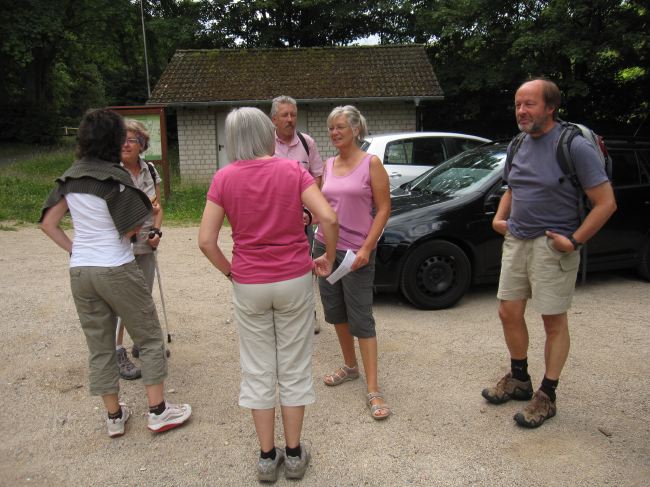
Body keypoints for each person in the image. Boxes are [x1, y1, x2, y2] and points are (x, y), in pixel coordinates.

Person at [198, 107, 338, 482]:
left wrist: (232, 272)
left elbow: (206, 241)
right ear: (266, 133)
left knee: (258, 368)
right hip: (293, 279)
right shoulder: (292, 170)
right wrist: (328, 255)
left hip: (249, 283)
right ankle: (293, 455)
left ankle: (265, 457)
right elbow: (328, 217)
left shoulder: (224, 178)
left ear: (232, 140)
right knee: (293, 365)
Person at [39, 108, 191, 438]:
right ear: (113, 139)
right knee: (148, 336)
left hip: (81, 270)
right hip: (116, 267)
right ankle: (158, 411)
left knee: (100, 344)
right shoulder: (115, 177)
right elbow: (133, 228)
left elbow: (48, 223)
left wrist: (75, 249)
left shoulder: (70, 177)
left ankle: (114, 416)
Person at [482, 78, 616, 428]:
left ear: (551, 107)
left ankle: (547, 394)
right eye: (517, 105)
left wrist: (574, 241)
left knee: (553, 321)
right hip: (517, 240)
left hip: (553, 245)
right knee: (508, 312)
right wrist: (499, 218)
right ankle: (519, 379)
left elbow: (606, 203)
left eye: (529, 104)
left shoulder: (573, 146)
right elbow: (512, 186)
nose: (521, 111)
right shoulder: (518, 144)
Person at [313, 105, 392, 420]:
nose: (334, 132)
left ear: (356, 130)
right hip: (325, 248)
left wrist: (367, 248)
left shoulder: (371, 164)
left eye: (340, 127)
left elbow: (384, 209)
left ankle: (373, 388)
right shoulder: (328, 164)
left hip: (356, 253)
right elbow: (322, 205)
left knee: (362, 318)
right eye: (331, 127)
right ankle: (350, 366)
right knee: (335, 311)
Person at [114, 119, 164, 380]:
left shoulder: (150, 170)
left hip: (145, 243)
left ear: (142, 144)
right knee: (121, 299)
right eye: (122, 139)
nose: (126, 144)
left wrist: (156, 231)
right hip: (119, 246)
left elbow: (158, 208)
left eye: (132, 140)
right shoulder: (111, 172)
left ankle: (141, 342)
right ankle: (116, 350)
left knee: (143, 296)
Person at [271, 95, 325, 333]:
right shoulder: (265, 144)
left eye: (293, 114)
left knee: (305, 267)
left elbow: (317, 176)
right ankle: (280, 316)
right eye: (285, 115)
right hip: (272, 221)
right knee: (275, 268)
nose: (290, 119)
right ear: (274, 119)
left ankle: (309, 314)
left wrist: (309, 209)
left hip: (302, 219)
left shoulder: (307, 142)